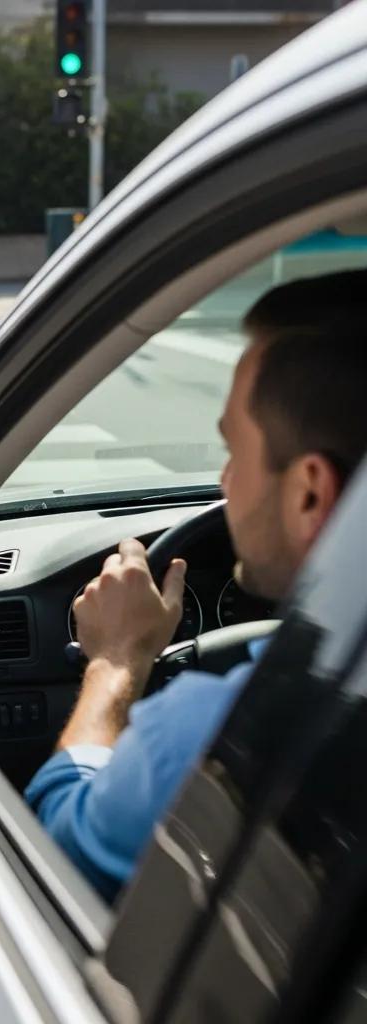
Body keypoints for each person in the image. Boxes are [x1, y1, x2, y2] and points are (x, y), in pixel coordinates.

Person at [25, 269, 367, 901]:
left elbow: (57, 851)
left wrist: (117, 660)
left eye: (234, 452)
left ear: (311, 492)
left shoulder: (217, 733)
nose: (224, 483)